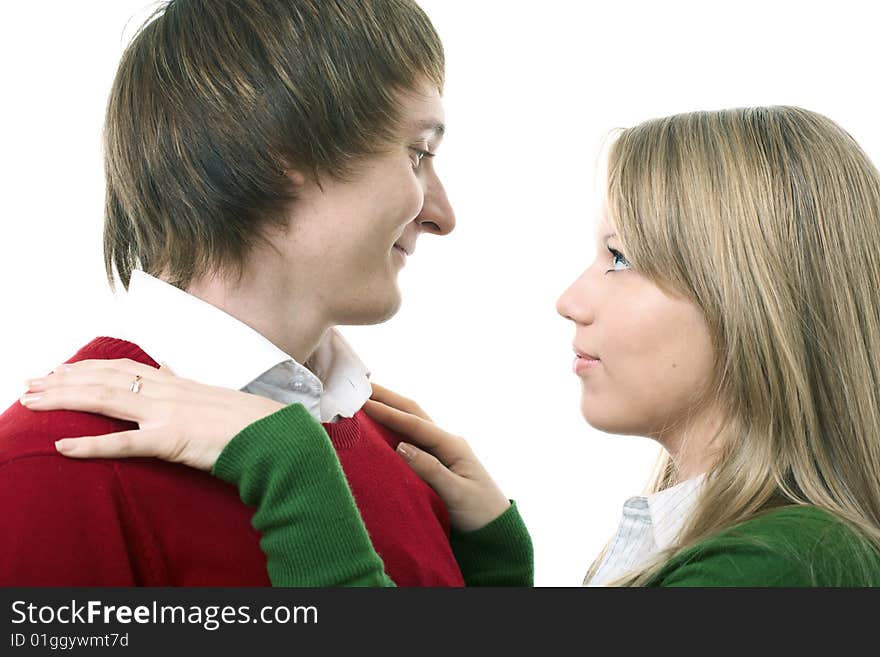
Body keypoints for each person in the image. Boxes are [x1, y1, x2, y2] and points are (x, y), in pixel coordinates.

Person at [20, 105, 880, 586]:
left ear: (752, 300)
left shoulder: (785, 571)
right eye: (415, 152)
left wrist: (289, 470)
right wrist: (499, 571)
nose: (571, 298)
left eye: (620, 259)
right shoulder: (43, 466)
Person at [0, 0, 533, 587]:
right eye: (418, 154)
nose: (442, 215)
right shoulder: (52, 464)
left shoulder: (405, 457)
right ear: (286, 148)